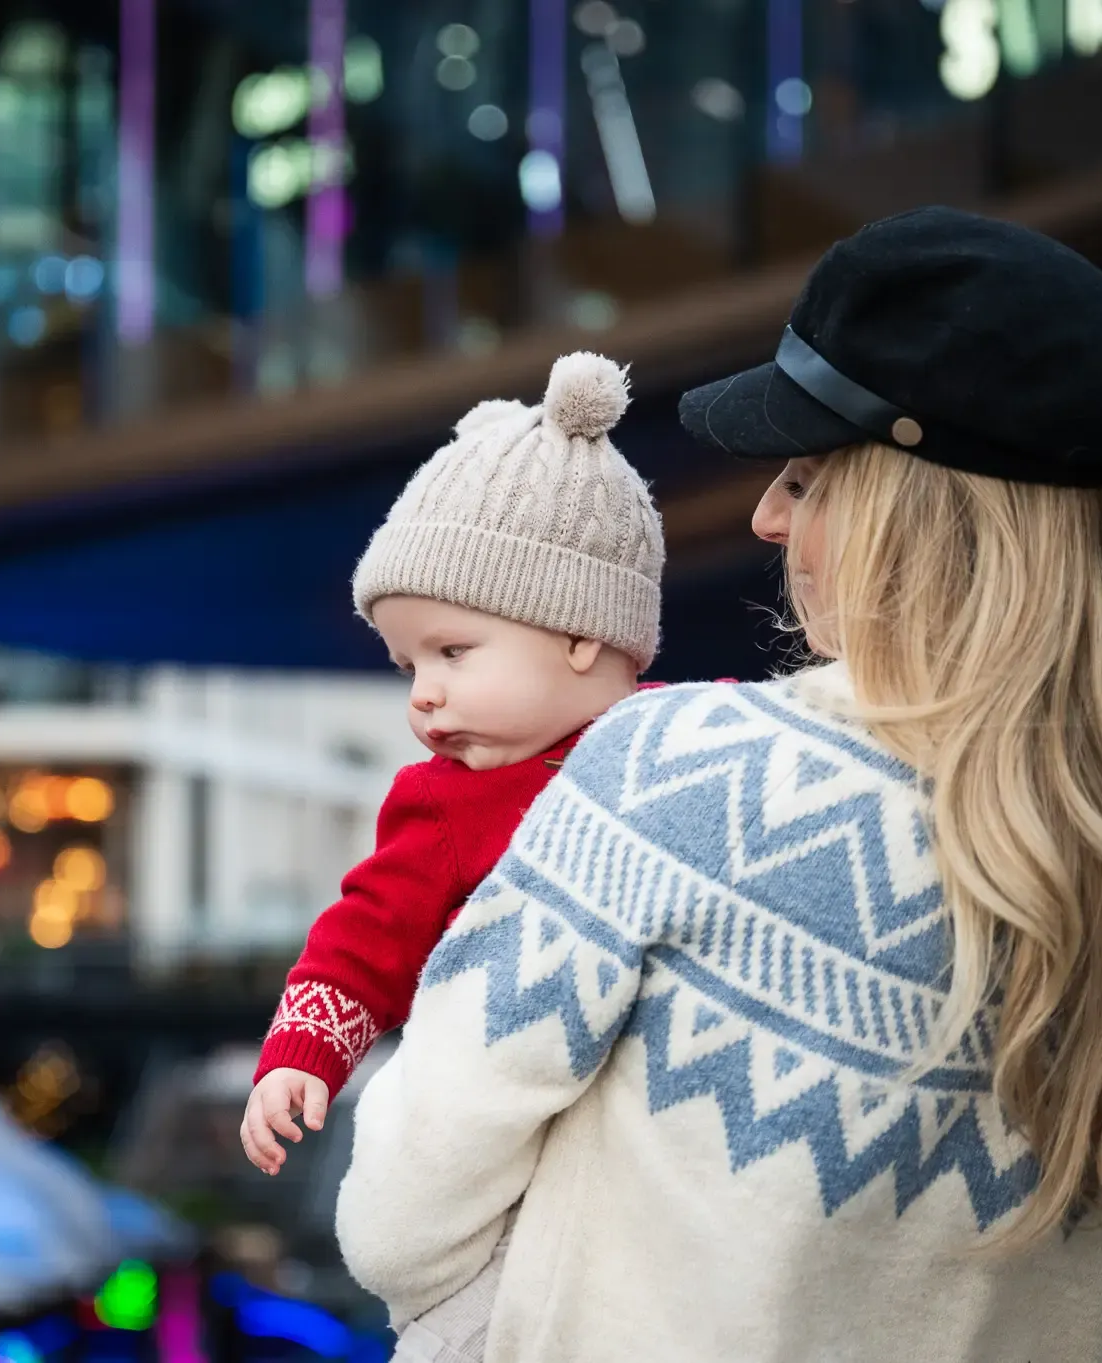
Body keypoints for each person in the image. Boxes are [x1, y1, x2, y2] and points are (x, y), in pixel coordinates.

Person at [333, 206, 1102, 1363]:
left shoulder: (680, 772)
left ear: (916, 506)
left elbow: (398, 1213)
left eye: (802, 476)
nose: (763, 515)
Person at [239, 352, 665, 1360]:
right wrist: (305, 1052)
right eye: (406, 665)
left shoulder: (689, 743)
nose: (420, 694)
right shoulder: (443, 803)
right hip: (508, 1187)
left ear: (577, 630)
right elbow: (363, 933)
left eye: (450, 651)